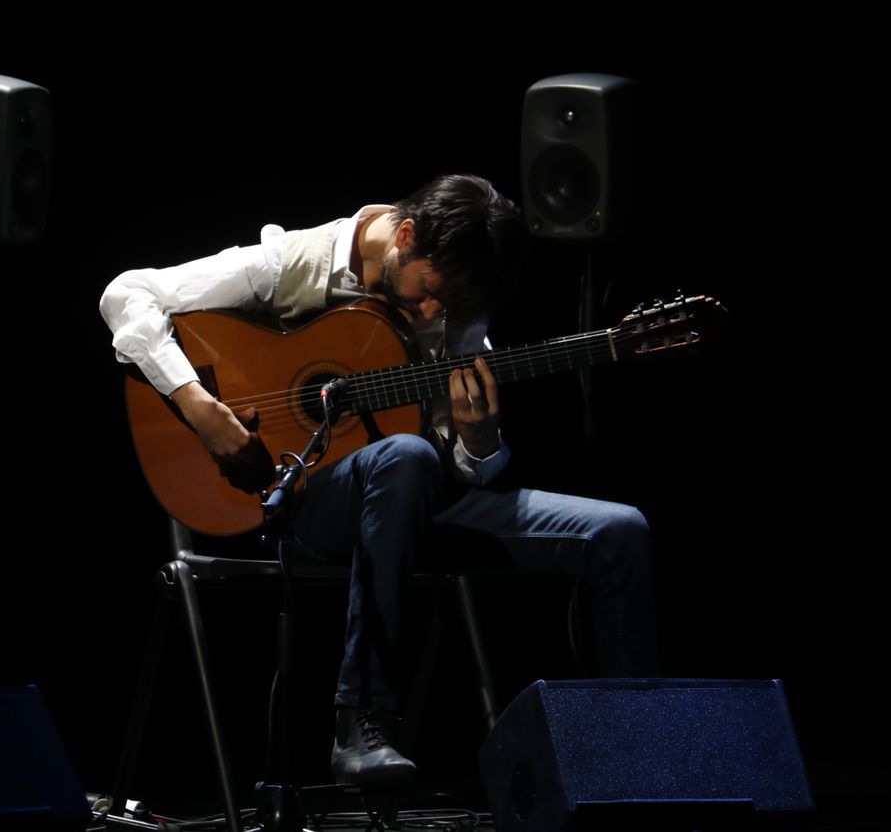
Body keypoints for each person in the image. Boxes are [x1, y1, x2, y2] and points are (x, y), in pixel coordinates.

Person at [99, 174, 658, 787]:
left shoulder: (457, 308)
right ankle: (361, 720)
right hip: (301, 499)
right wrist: (201, 408)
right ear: (406, 235)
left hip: (419, 503)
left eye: (447, 306)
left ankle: (634, 765)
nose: (432, 313)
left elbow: (466, 468)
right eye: (429, 294)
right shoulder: (290, 262)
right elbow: (127, 295)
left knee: (620, 532)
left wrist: (479, 441)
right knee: (406, 458)